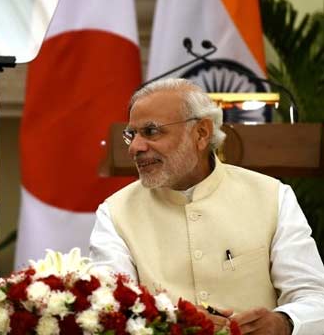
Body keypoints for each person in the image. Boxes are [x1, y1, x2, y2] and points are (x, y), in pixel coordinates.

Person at [89, 78, 324, 334]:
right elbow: (106, 306)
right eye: (131, 134)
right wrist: (168, 323)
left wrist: (285, 322)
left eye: (151, 131)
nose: (135, 147)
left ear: (201, 133)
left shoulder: (272, 196)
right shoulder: (115, 212)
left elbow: (314, 296)